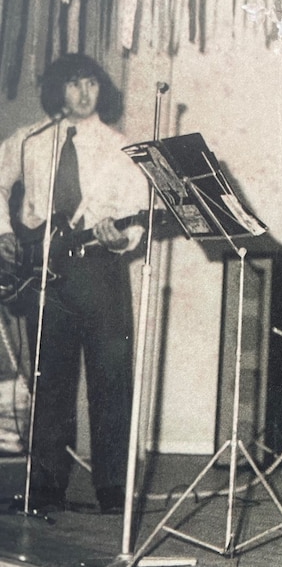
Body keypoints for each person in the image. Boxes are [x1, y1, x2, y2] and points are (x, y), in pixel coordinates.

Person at [0, 53, 150, 514]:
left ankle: (112, 487)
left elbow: (137, 215)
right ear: (58, 90)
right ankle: (45, 482)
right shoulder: (28, 140)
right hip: (44, 271)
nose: (84, 93)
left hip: (100, 271)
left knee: (111, 379)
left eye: (91, 84)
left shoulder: (120, 147)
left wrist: (120, 235)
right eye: (73, 84)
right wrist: (4, 231)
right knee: (51, 380)